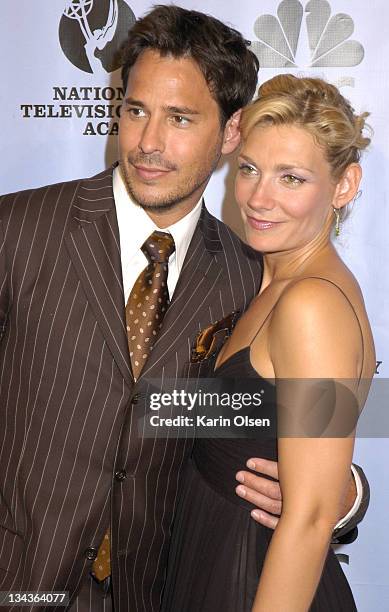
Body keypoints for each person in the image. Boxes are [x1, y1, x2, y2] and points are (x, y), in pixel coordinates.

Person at [0, 7, 368, 612]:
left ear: (229, 132)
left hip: (166, 589)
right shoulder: (19, 231)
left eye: (180, 118)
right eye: (136, 110)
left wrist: (340, 494)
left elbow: (309, 418)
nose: (148, 142)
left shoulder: (253, 274)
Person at [161, 75, 375, 611]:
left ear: (344, 186)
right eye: (250, 169)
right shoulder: (268, 278)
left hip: (254, 579)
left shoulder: (312, 306)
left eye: (291, 179)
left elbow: (307, 518)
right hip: (212, 557)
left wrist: (339, 496)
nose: (259, 198)